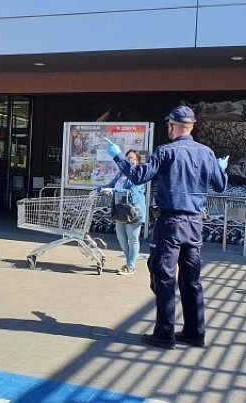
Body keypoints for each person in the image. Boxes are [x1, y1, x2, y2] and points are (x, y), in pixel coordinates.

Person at [106, 106, 228, 350]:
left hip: (170, 223)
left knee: (164, 277)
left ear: (173, 126)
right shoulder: (206, 153)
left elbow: (139, 176)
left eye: (168, 126)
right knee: (191, 280)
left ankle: (164, 334)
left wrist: (118, 156)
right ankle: (195, 333)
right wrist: (220, 168)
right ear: (191, 127)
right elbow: (221, 186)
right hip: (195, 224)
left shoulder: (165, 151)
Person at [97, 150, 147, 275]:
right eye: (128, 158)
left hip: (133, 212)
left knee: (133, 239)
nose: (129, 160)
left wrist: (113, 191)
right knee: (121, 238)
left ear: (137, 162)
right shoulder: (120, 175)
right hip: (120, 211)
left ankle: (131, 266)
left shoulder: (138, 175)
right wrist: (100, 189)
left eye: (132, 159)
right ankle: (129, 262)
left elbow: (132, 192)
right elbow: (111, 185)